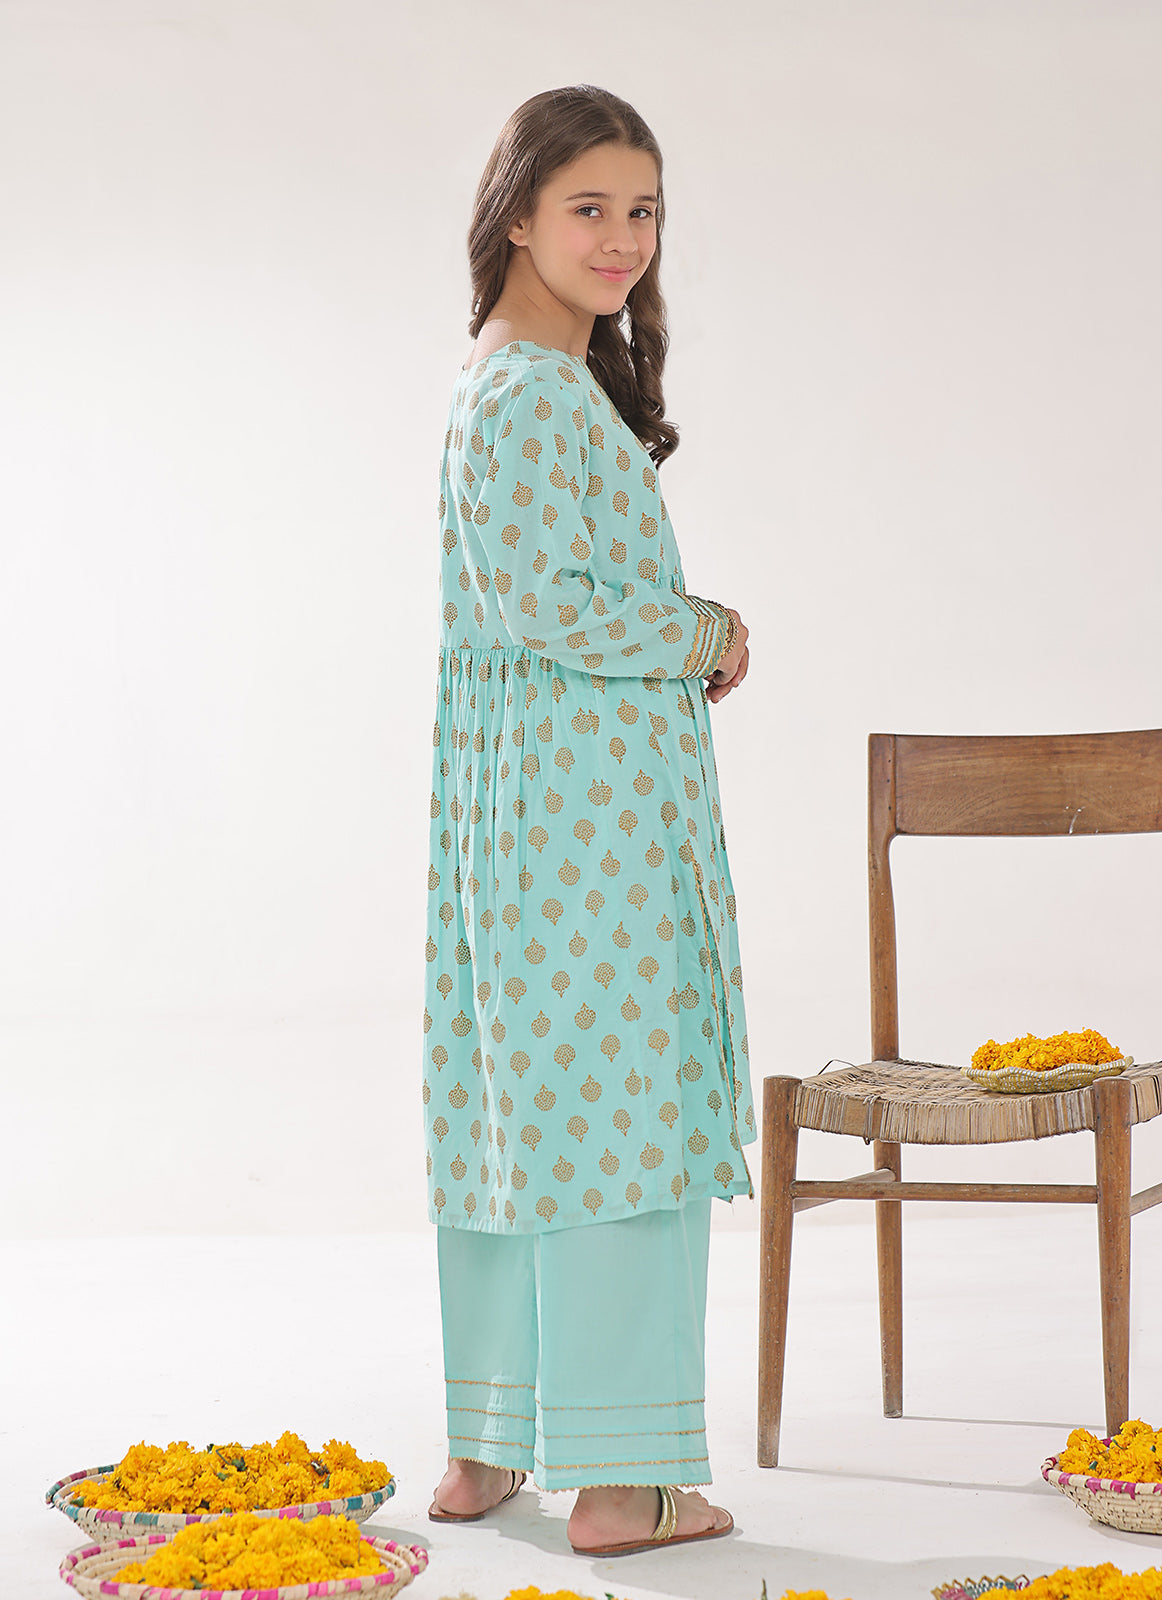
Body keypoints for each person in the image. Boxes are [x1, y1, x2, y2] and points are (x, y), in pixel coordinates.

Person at [422, 83, 755, 1557]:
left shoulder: (511, 385)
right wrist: (703, 632)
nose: (624, 239)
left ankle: (488, 1445)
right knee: (625, 1108)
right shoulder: (533, 394)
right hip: (589, 821)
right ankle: (626, 1482)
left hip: (527, 809)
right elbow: (543, 604)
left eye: (644, 210)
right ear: (515, 215)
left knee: (517, 1097)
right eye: (590, 208)